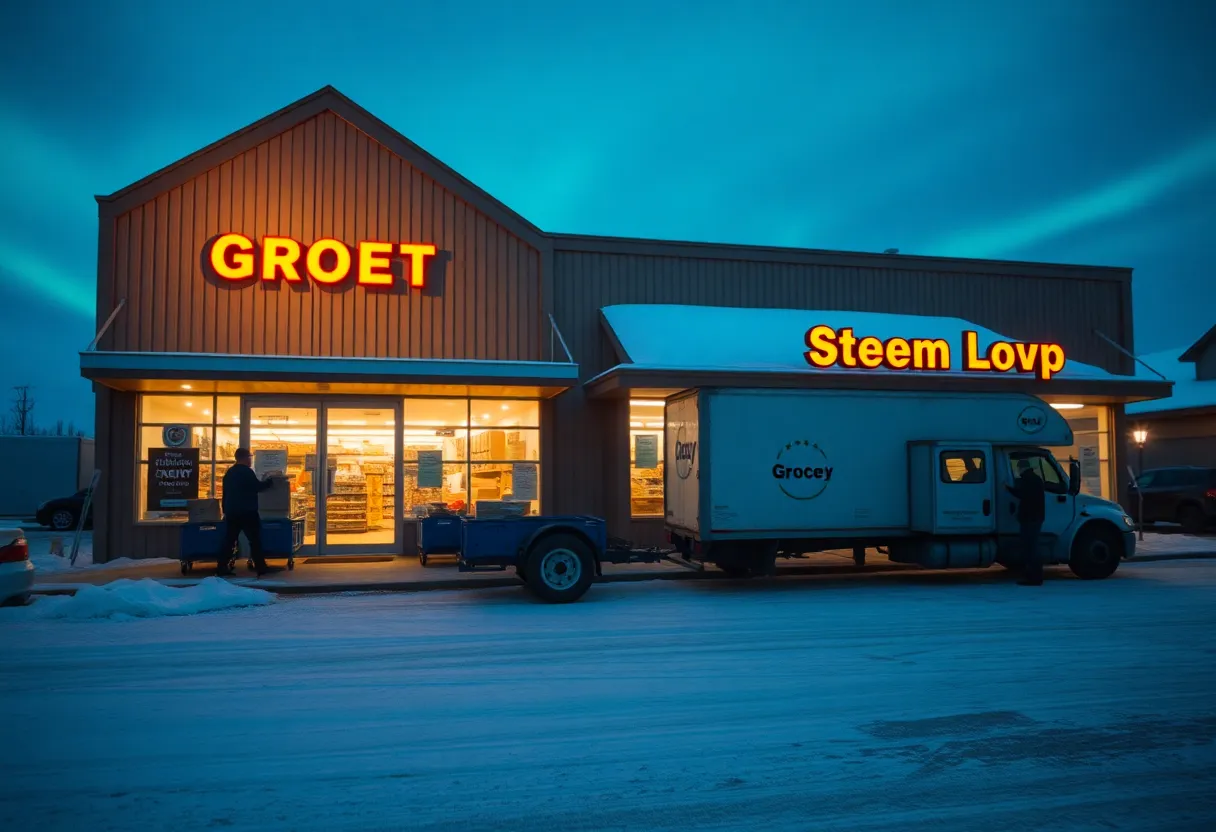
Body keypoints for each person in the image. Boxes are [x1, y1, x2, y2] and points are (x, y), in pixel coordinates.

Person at [215, 448, 283, 577]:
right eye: (249, 457)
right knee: (255, 540)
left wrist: (225, 510)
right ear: (245, 458)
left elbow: (225, 493)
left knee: (229, 540)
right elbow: (257, 487)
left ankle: (221, 567)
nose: (250, 459)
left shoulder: (230, 472)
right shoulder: (247, 472)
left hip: (232, 512)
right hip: (247, 511)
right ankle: (260, 567)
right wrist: (270, 482)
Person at [1006, 458, 1046, 586]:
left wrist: (1008, 489)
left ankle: (1033, 578)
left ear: (1022, 468)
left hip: (1029, 518)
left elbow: (1022, 494)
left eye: (1018, 468)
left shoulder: (1027, 480)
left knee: (1030, 549)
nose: (1018, 471)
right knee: (1033, 547)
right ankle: (1036, 576)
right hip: (1036, 517)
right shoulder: (1036, 479)